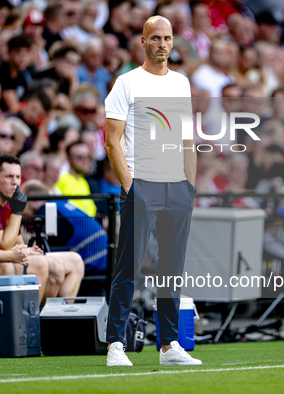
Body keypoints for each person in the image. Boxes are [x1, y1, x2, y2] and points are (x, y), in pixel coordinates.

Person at [103, 16, 201, 366]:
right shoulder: (126, 83)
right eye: (156, 37)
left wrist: (190, 186)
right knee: (128, 266)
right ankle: (115, 343)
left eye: (168, 38)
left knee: (172, 268)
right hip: (142, 184)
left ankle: (169, 345)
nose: (162, 44)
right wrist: (131, 187)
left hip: (177, 187)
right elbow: (111, 141)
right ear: (143, 41)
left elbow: (187, 139)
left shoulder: (181, 83)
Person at [0, 155, 84, 303]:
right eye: (9, 176)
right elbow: (3, 244)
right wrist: (17, 211)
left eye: (18, 176)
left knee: (76, 260)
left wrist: (27, 249)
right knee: (51, 266)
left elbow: (18, 242)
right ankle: (38, 320)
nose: (15, 182)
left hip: (13, 255)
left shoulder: (9, 200)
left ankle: (61, 318)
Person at [55, 141, 97, 217]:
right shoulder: (60, 180)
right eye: (79, 157)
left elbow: (91, 209)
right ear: (68, 158)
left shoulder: (83, 181)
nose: (85, 161)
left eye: (88, 156)